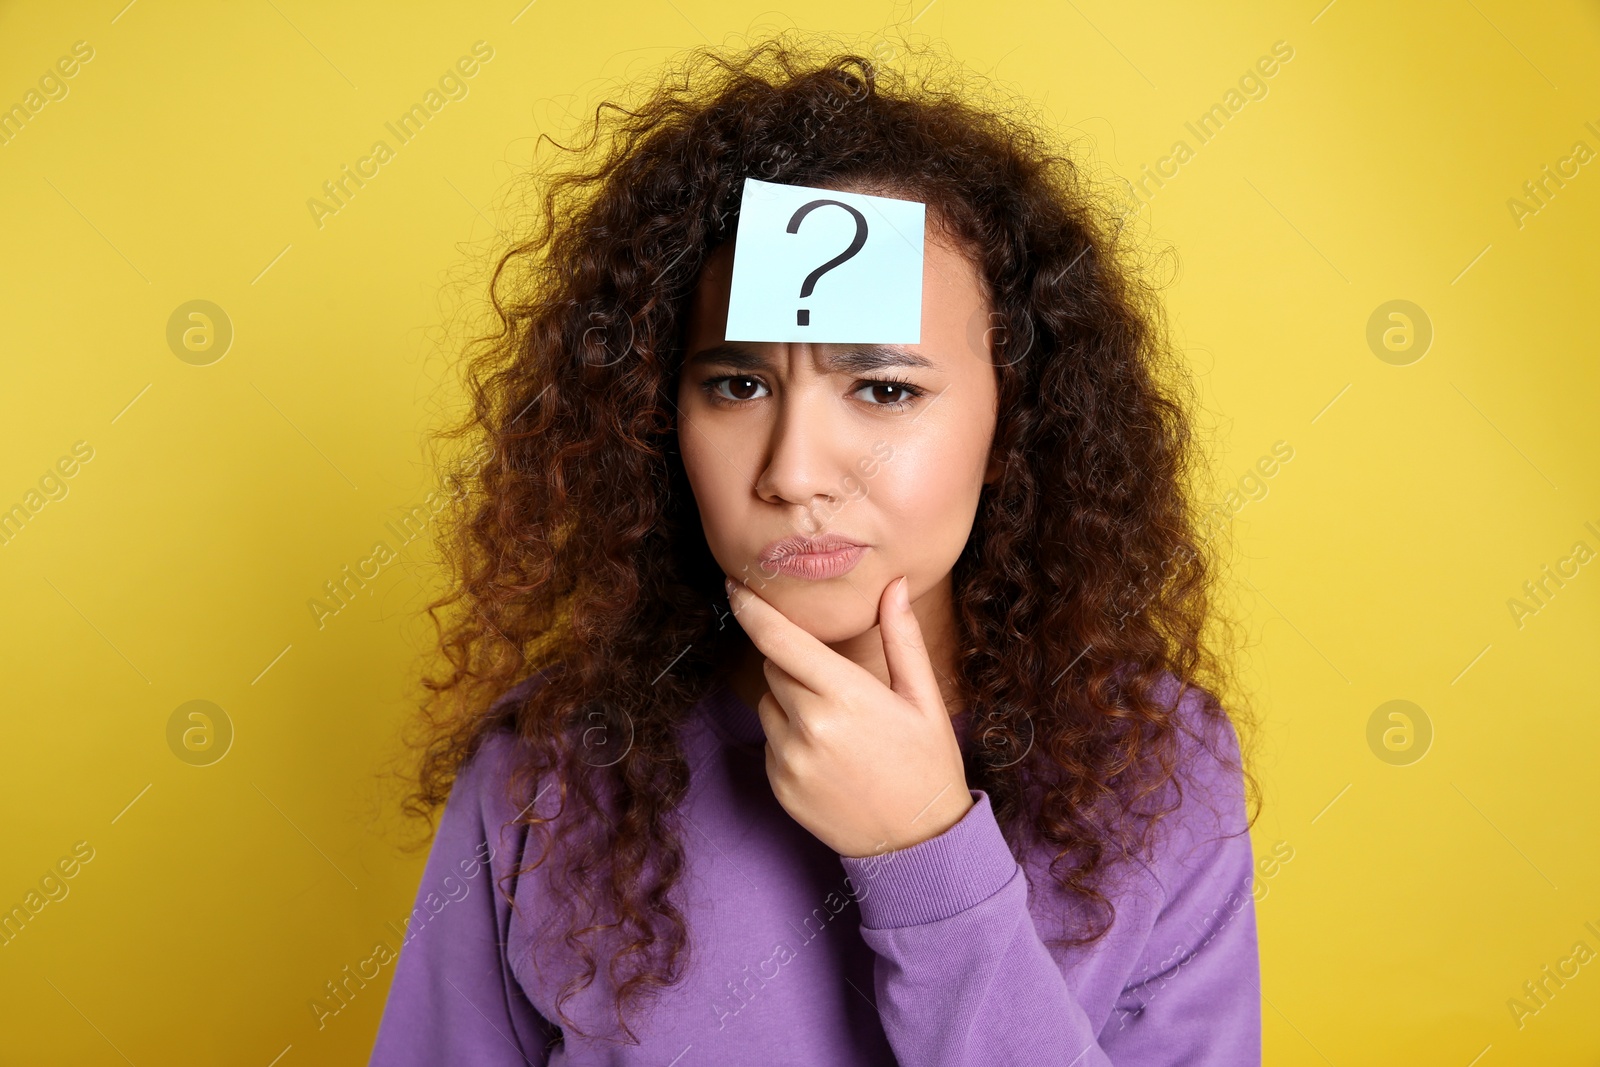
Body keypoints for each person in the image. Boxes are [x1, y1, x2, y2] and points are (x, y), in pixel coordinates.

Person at [370, 33, 1262, 1066]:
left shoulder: (1154, 766)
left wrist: (927, 855)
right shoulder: (547, 766)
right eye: (737, 384)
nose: (793, 470)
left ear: (1013, 427)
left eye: (884, 389)